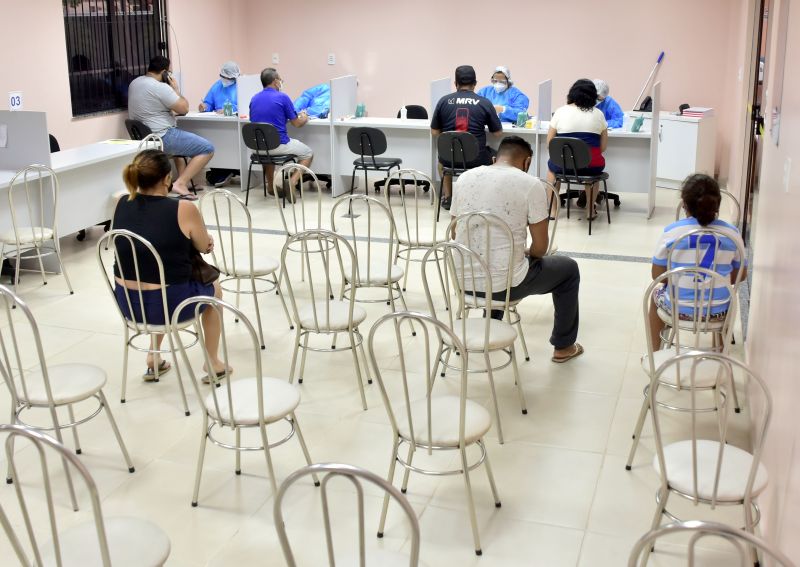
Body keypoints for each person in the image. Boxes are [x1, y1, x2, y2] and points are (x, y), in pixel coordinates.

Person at [450, 135, 583, 363]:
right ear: (527, 162)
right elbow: (541, 248)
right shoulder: (530, 184)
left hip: (463, 281)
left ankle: (489, 329)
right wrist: (527, 252)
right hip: (505, 285)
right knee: (569, 270)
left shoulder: (465, 178)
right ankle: (564, 347)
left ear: (495, 158)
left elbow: (454, 232)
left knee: (497, 262)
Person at [113, 149, 227, 383]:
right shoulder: (183, 208)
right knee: (214, 287)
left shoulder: (121, 203)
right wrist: (206, 243)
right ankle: (213, 361)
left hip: (128, 305)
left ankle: (153, 358)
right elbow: (204, 246)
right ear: (167, 179)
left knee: (155, 274)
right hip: (170, 306)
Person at [648, 174, 746, 348]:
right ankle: (721, 352)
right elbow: (741, 276)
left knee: (655, 296)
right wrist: (714, 279)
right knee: (728, 297)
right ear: (717, 204)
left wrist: (681, 279)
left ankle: (655, 353)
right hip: (719, 310)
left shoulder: (672, 232)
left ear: (684, 204)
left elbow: (657, 275)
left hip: (679, 309)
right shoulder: (732, 233)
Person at [128, 55, 214, 200]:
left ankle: (183, 183)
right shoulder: (159, 87)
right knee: (207, 148)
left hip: (145, 137)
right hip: (162, 136)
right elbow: (184, 108)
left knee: (179, 150)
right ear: (164, 72)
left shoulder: (135, 83)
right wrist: (175, 89)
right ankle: (180, 183)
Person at [431, 65, 503, 210]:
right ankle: (481, 198)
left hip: (449, 158)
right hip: (476, 159)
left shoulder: (443, 101)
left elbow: (434, 132)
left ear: (456, 84)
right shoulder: (484, 103)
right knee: (496, 157)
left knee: (442, 162)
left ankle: (448, 197)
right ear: (475, 84)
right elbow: (498, 133)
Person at [546, 79, 608, 218]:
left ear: (572, 94)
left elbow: (550, 144)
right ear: (593, 96)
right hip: (591, 165)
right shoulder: (598, 114)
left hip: (563, 165)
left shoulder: (560, 112)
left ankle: (552, 211)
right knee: (593, 174)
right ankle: (590, 211)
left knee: (552, 169)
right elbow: (602, 147)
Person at [249, 67, 313, 193]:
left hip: (257, 147)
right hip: (278, 145)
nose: (281, 82)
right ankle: (292, 182)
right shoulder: (283, 97)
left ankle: (270, 186)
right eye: (280, 79)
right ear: (275, 81)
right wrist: (305, 117)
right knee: (308, 153)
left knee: (268, 150)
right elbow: (297, 124)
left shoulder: (254, 98)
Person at [199, 61, 241, 187]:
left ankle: (231, 169)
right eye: (224, 77)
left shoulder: (241, 86)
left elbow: (246, 105)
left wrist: (230, 109)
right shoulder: (217, 85)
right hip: (218, 124)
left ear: (235, 77)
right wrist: (203, 107)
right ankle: (220, 170)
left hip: (235, 125)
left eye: (229, 78)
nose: (226, 80)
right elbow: (208, 103)